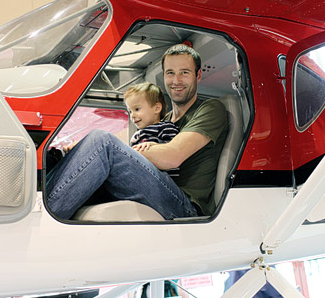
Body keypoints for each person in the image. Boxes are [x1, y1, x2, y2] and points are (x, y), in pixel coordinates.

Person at [45, 44, 227, 220]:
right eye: (170, 73)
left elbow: (172, 157)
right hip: (161, 188)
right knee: (66, 157)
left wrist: (124, 151)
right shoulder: (163, 120)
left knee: (103, 143)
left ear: (198, 75)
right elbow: (133, 144)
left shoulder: (210, 108)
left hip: (185, 206)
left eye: (184, 73)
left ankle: (46, 215)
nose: (176, 80)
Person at [124, 82, 180, 179]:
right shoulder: (136, 135)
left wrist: (155, 145)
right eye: (130, 111)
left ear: (157, 108)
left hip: (162, 177)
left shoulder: (165, 127)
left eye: (137, 109)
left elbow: (173, 150)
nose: (132, 115)